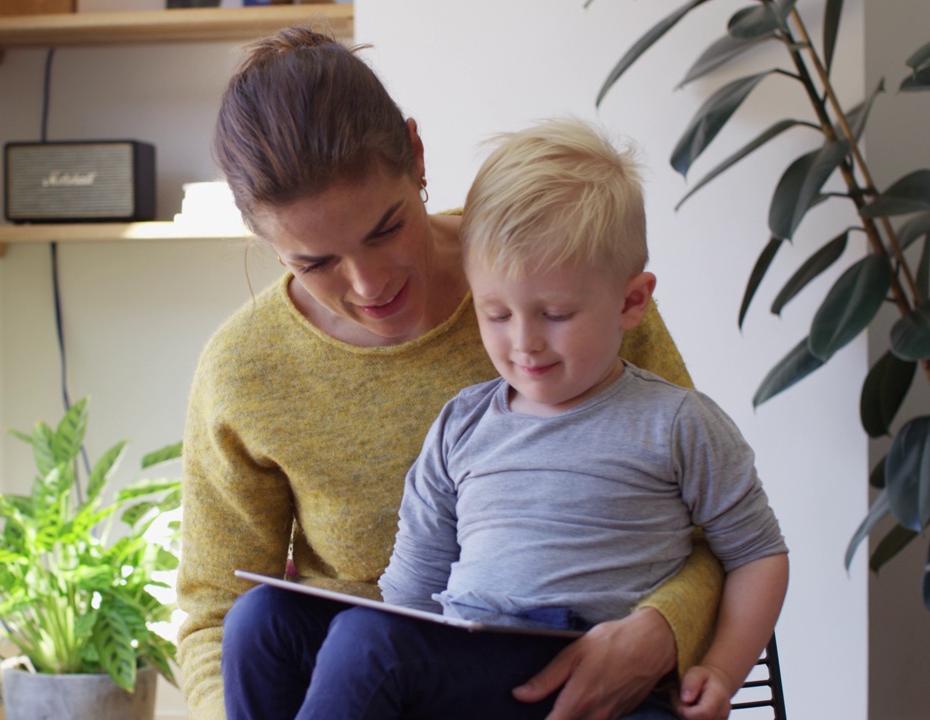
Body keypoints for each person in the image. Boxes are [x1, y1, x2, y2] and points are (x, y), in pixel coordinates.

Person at [176, 26, 725, 720]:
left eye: (385, 228)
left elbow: (714, 531)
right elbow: (214, 614)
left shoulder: (555, 279)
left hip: (553, 668)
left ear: (417, 154)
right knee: (263, 618)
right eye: (315, 262)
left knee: (370, 640)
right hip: (353, 690)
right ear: (262, 238)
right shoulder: (243, 370)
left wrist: (658, 634)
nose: (370, 284)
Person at [262, 118, 790, 720]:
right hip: (475, 668)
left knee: (366, 643)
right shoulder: (461, 426)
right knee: (274, 623)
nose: (524, 343)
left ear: (631, 302)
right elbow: (410, 596)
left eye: (556, 313)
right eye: (496, 314)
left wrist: (720, 670)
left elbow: (756, 553)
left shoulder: (676, 423)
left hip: (606, 684)